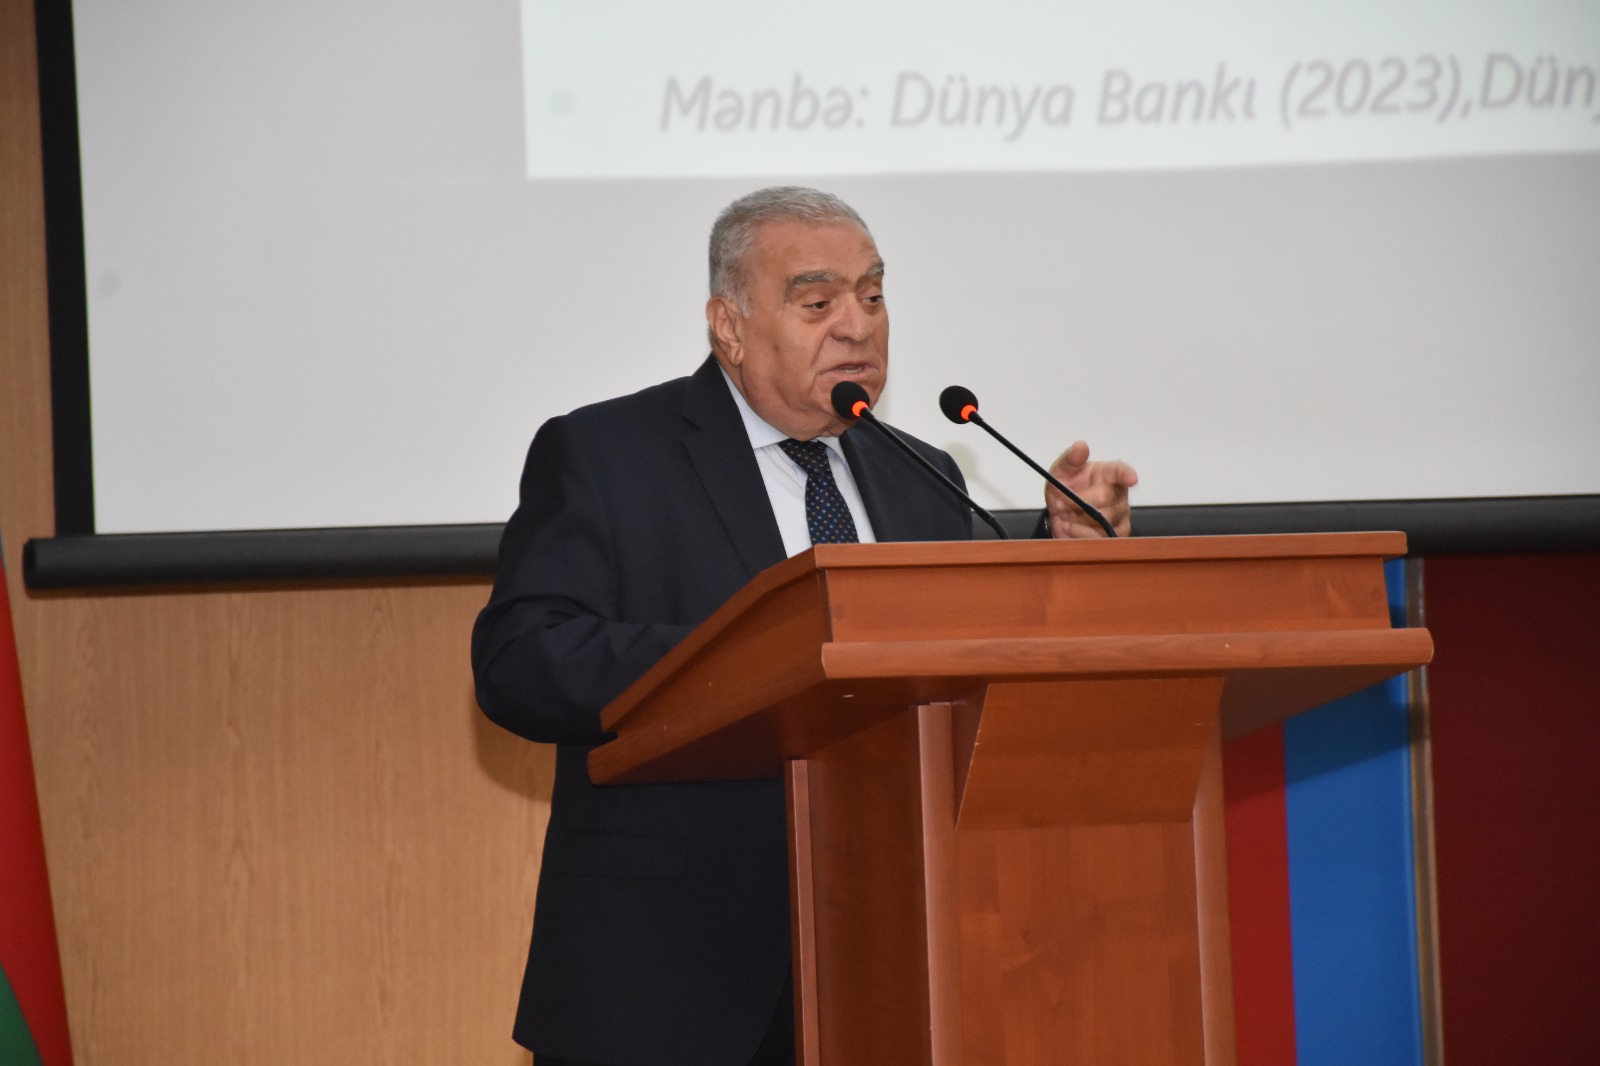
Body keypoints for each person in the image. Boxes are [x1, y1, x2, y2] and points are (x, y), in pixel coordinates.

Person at [472, 187, 1136, 1066]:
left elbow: (967, 659)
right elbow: (521, 661)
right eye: (818, 303)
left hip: (889, 963)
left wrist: (1062, 563)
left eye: (873, 295)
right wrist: (753, 660)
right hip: (668, 977)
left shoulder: (922, 477)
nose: (857, 326)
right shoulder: (608, 453)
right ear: (730, 326)